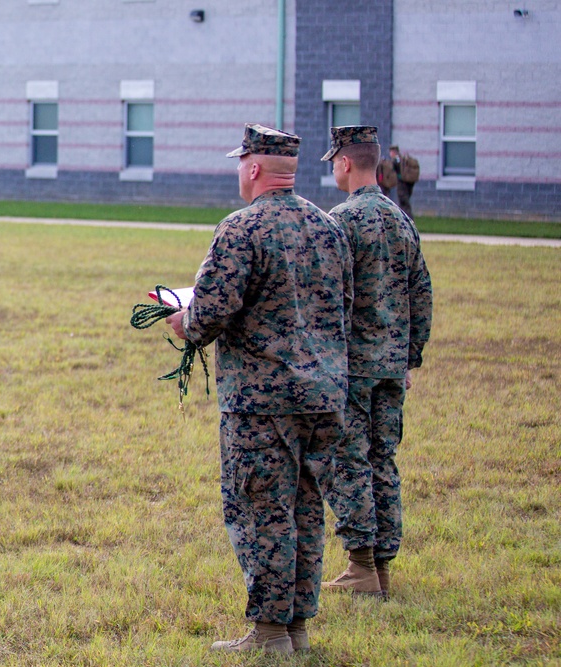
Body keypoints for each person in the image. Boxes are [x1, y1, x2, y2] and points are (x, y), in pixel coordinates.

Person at [166, 124, 352, 655]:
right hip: (323, 397)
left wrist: (185, 320)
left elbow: (211, 314)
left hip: (261, 402)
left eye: (239, 162)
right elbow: (347, 307)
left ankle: (271, 634)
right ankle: (295, 628)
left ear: (252, 168)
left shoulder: (241, 229)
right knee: (305, 509)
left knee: (260, 509)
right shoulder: (329, 229)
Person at [320, 126, 433, 597]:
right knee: (383, 459)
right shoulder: (401, 219)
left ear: (346, 163)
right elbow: (420, 292)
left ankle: (361, 565)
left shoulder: (340, 221)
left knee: (349, 461)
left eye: (334, 161)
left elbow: (327, 299)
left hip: (352, 366)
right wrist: (410, 357)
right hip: (390, 366)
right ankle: (382, 567)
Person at [389, 145, 414, 219]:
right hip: (407, 184)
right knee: (405, 203)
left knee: (404, 203)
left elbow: (394, 170)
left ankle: (408, 220)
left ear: (393, 152)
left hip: (402, 184)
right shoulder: (402, 159)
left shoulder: (396, 160)